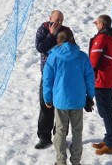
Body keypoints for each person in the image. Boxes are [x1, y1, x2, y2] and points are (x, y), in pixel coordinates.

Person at [42, 28, 95, 165]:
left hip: (60, 101)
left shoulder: (53, 57)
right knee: (77, 131)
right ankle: (76, 161)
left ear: (58, 41)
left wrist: (47, 98)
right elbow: (89, 77)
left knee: (60, 130)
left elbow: (47, 79)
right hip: (78, 100)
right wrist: (90, 96)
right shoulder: (82, 56)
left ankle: (61, 161)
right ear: (72, 38)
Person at [34, 10, 75, 150]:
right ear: (50, 18)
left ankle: (60, 137)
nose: (58, 23)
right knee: (45, 105)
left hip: (63, 76)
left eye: (61, 20)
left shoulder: (66, 31)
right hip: (47, 76)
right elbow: (40, 47)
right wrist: (51, 35)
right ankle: (44, 137)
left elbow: (71, 49)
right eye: (56, 19)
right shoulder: (43, 29)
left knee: (62, 108)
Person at [89, 14, 112, 155]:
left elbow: (93, 61)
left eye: (97, 24)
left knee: (105, 112)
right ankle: (108, 139)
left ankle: (111, 144)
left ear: (101, 24)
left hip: (102, 80)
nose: (96, 26)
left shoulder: (101, 38)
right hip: (111, 78)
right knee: (107, 111)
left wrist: (87, 76)